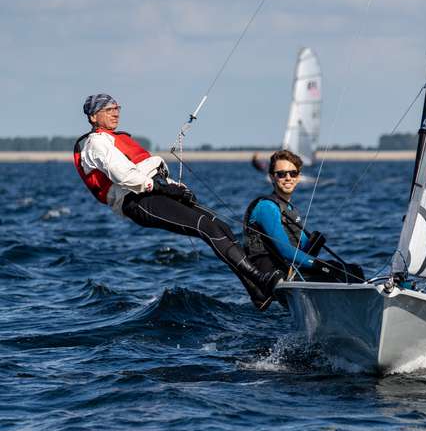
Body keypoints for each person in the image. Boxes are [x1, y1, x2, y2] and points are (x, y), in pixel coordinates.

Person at [74, 93, 282, 310]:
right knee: (207, 227)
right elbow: (125, 176)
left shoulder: (117, 139)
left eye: (117, 108)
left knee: (220, 226)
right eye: (108, 110)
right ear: (93, 117)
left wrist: (176, 187)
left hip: (154, 191)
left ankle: (258, 293)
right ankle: (261, 279)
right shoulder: (96, 143)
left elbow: (150, 171)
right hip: (138, 199)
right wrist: (163, 188)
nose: (115, 113)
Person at [243, 149, 363, 292]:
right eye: (281, 174)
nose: (288, 178)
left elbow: (302, 249)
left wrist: (313, 244)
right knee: (337, 273)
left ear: (299, 177)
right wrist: (320, 265)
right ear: (271, 177)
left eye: (293, 173)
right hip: (276, 276)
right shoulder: (266, 207)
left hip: (291, 270)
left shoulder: (288, 208)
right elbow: (287, 251)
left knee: (353, 270)